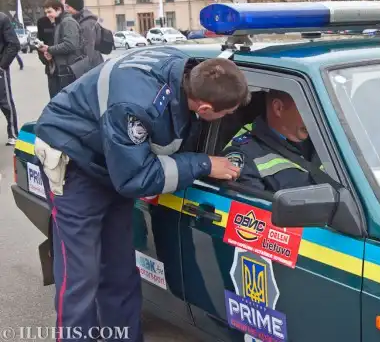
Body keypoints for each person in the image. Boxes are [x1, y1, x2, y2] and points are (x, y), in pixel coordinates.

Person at [33, 47, 247, 341]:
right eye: (227, 114)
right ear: (205, 109)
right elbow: (135, 178)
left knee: (119, 269)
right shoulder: (136, 105)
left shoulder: (184, 71)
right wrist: (204, 164)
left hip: (114, 161)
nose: (229, 119)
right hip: (74, 162)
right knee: (81, 274)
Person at [222, 90, 321, 191]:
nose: (314, 119)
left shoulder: (323, 136)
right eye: (307, 110)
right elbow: (249, 199)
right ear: (278, 108)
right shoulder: (245, 154)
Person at [39, 0, 82, 98]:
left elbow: (70, 45)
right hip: (63, 69)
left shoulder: (68, 22)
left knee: (66, 101)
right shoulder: (60, 22)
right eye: (46, 12)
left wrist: (49, 49)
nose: (47, 15)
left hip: (69, 70)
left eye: (49, 12)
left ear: (59, 9)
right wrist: (50, 53)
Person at [64, 0, 104, 76]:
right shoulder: (80, 20)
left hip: (91, 68)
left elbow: (89, 50)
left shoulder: (87, 24)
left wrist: (83, 71)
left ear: (75, 7)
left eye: (68, 7)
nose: (66, 10)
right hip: (88, 65)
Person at [0, 11, 20, 146]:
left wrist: (2, 66)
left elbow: (14, 44)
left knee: (5, 101)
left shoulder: (2, 18)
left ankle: (13, 133)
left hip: (0, 68)